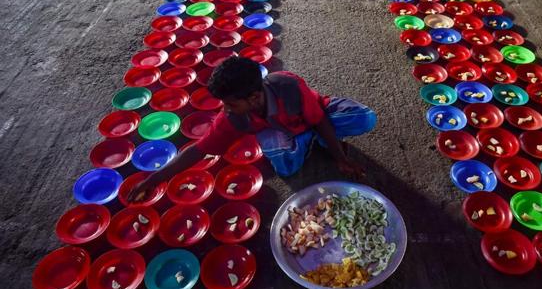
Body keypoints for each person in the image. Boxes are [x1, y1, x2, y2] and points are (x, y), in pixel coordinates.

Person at [128, 57, 376, 202]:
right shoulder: (232, 117)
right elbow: (198, 150)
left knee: (364, 119)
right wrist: (154, 179)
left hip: (316, 114)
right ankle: (311, 141)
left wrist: (340, 159)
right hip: (286, 131)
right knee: (287, 168)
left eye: (232, 103)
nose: (226, 108)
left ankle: (320, 142)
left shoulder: (288, 86)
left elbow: (320, 118)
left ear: (255, 97)